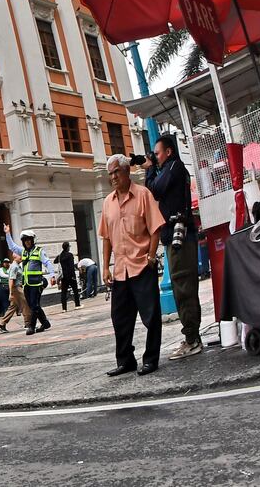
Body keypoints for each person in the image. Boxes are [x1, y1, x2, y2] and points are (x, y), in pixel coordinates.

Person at [100, 154, 166, 377]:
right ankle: (125, 360)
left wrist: (151, 255)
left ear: (127, 172)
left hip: (141, 265)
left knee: (150, 315)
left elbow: (155, 227)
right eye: (110, 174)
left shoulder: (143, 194)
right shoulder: (107, 203)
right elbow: (106, 237)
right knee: (120, 318)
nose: (113, 177)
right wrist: (105, 267)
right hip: (120, 270)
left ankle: (151, 359)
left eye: (116, 172)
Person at [146, 135, 202, 361]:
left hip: (180, 236)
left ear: (168, 152)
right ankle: (191, 336)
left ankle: (192, 340)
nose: (155, 158)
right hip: (176, 236)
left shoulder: (174, 167)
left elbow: (154, 191)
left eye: (157, 154)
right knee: (183, 287)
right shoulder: (171, 168)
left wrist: (150, 169)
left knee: (183, 288)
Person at [4, 225, 54, 335]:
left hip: (37, 283)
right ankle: (45, 323)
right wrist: (7, 233)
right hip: (26, 284)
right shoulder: (23, 252)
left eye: (29, 240)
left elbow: (47, 262)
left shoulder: (39, 251)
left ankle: (31, 326)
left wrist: (52, 276)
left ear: (32, 240)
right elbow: (12, 247)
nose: (27, 242)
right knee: (33, 305)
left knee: (34, 305)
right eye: (25, 240)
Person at [0, 252, 32, 332]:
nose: (22, 257)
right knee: (25, 305)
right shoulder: (14, 266)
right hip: (17, 288)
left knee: (12, 307)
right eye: (20, 256)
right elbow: (11, 280)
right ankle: (28, 323)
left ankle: (2, 324)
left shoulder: (17, 266)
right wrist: (11, 293)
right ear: (15, 257)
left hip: (16, 288)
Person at [54, 241, 82, 311]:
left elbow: (55, 261)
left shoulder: (60, 256)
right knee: (75, 290)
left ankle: (64, 308)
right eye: (69, 246)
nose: (69, 248)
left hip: (63, 277)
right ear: (67, 247)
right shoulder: (70, 255)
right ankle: (77, 305)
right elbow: (71, 266)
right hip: (70, 276)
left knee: (63, 292)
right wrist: (73, 276)